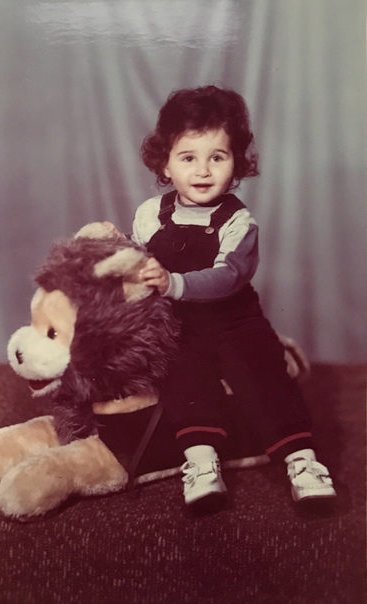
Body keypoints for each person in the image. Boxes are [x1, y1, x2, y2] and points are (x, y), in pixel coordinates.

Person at [111, 85, 336, 512]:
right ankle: (201, 461)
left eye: (217, 157)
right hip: (178, 325)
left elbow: (228, 276)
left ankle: (302, 461)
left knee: (262, 371)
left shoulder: (238, 221)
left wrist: (173, 282)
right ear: (165, 163)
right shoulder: (150, 215)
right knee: (181, 374)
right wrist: (120, 255)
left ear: (236, 164)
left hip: (235, 321)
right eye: (188, 158)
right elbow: (135, 263)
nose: (202, 170)